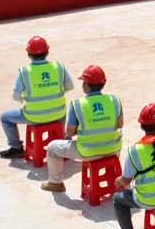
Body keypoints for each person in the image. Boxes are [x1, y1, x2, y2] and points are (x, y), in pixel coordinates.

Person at [40, 64, 123, 193]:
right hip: (113, 149)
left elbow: (69, 132)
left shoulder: (78, 104)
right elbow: (120, 124)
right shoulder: (114, 101)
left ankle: (55, 183)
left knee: (52, 147)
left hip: (87, 151)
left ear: (86, 85)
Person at [0, 35, 74, 159]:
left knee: (5, 117)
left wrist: (25, 98)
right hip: (58, 114)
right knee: (64, 110)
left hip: (34, 116)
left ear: (29, 54)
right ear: (47, 52)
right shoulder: (59, 67)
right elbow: (70, 86)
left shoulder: (25, 72)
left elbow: (16, 96)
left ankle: (16, 148)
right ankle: (62, 139)